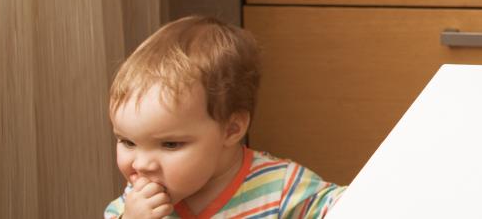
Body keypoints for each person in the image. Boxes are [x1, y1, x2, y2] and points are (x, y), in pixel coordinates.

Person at [105, 16, 344, 218]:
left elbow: (358, 204)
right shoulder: (134, 205)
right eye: (128, 142)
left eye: (169, 144)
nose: (141, 165)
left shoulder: (281, 188)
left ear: (231, 129)